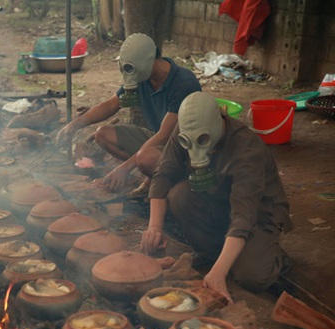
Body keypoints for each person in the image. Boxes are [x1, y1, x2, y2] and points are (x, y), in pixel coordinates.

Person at [140, 92, 293, 303]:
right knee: (179, 195)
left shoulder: (247, 149)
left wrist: (219, 273)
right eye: (188, 142)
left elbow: (243, 216)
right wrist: (154, 227)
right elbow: (163, 176)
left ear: (219, 122)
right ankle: (216, 254)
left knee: (253, 278)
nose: (195, 149)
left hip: (258, 214)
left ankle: (273, 255)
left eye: (203, 140)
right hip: (216, 200)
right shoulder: (184, 130)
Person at [55, 33, 201, 193]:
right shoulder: (141, 75)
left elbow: (166, 135)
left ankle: (171, 183)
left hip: (184, 149)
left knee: (145, 158)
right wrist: (75, 124)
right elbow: (111, 105)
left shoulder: (184, 83)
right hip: (157, 138)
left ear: (150, 59)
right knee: (103, 134)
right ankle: (151, 173)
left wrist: (125, 168)